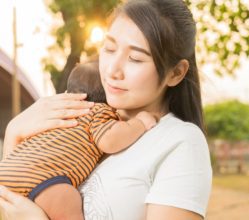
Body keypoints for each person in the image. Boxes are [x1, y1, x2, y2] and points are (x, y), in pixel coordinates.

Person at [0, 0, 212, 219]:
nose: (112, 70)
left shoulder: (179, 141)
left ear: (175, 73)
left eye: (135, 58)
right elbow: (16, 199)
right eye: (109, 49)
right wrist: (14, 133)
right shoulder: (79, 118)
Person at [0, 61, 157, 219]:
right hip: (45, 178)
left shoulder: (59, 113)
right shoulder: (98, 111)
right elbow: (109, 140)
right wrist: (139, 123)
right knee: (69, 202)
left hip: (9, 172)